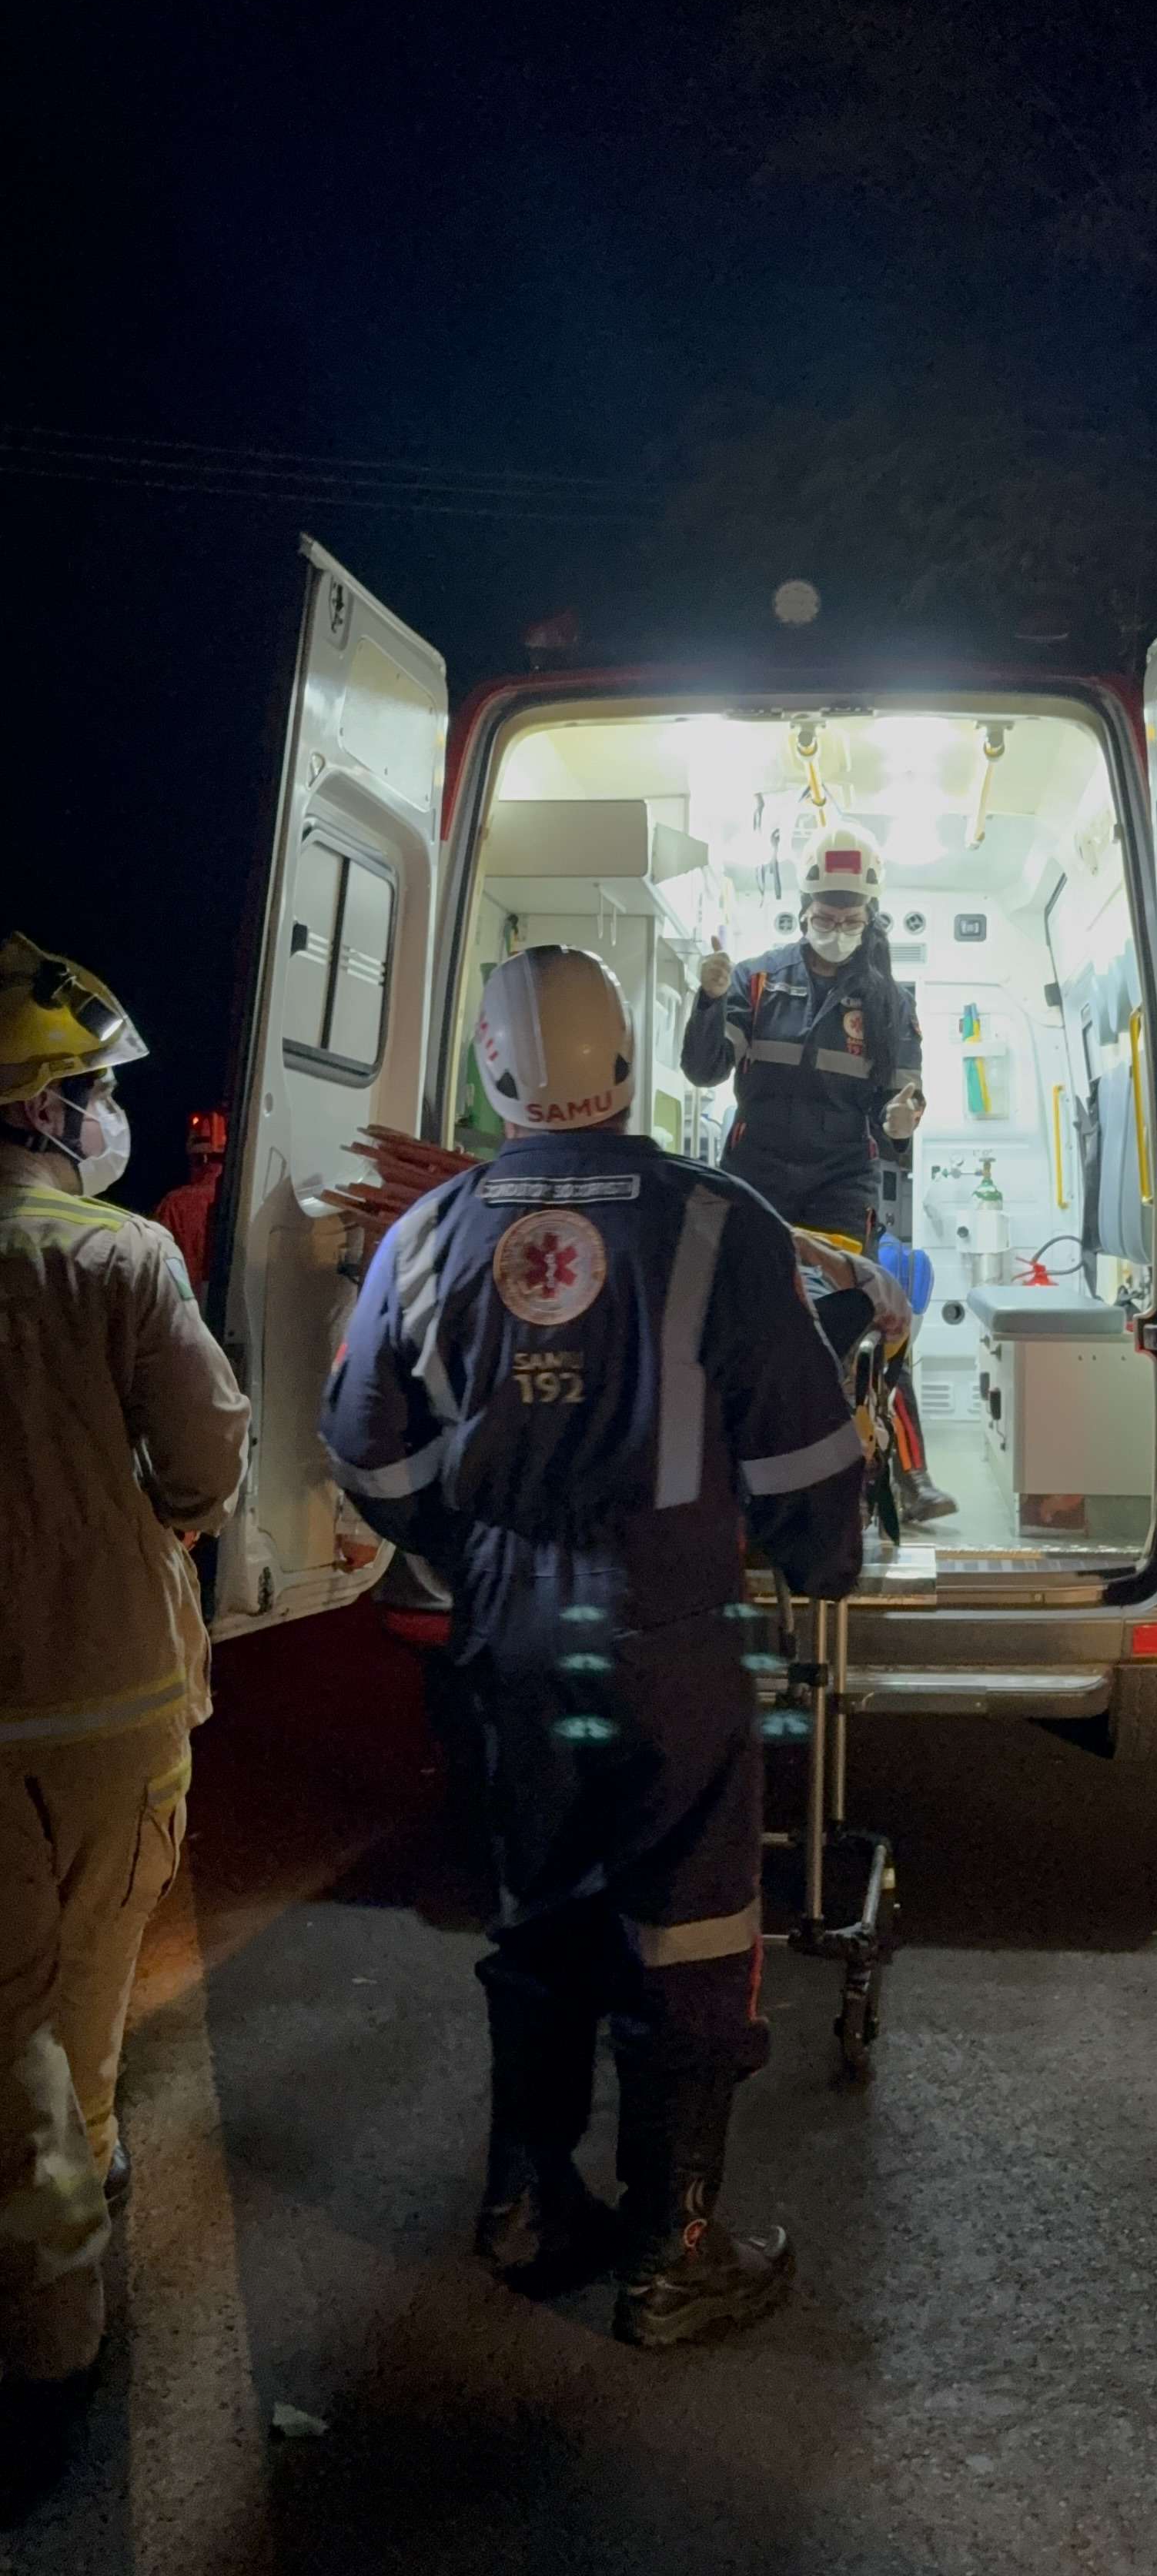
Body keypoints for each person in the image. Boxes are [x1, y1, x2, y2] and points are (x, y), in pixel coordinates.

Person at [320, 945, 867, 2349]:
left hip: (510, 1628)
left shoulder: (427, 1231)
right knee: (693, 1926)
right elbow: (805, 1454)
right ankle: (674, 2254)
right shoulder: (720, 1221)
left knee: (540, 1911)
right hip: (671, 1626)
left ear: (493, 1074)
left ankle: (525, 2205)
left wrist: (463, 1547)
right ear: (625, 1061)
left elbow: (366, 1451)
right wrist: (822, 1563)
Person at [0, 933, 249, 2522]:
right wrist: (146, 1514)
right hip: (105, 1705)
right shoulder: (119, 1258)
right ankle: (49, 2361)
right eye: (90, 1088)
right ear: (40, 1107)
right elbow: (207, 1457)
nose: (106, 1113)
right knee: (69, 2028)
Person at [680, 819, 958, 1525]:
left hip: (839, 1186)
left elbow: (902, 1100)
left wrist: (903, 1118)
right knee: (740, 1318)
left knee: (857, 1317)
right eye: (826, 915)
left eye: (850, 918)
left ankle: (905, 1473)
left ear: (870, 917)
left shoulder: (890, 1003)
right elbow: (705, 1069)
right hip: (755, 1178)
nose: (837, 928)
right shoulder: (757, 979)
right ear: (804, 908)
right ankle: (729, 1470)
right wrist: (708, 1001)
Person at [152, 1105, 227, 1305]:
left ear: (200, 1158)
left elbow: (159, 1266)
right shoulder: (247, 1199)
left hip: (185, 1305)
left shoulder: (177, 1204)